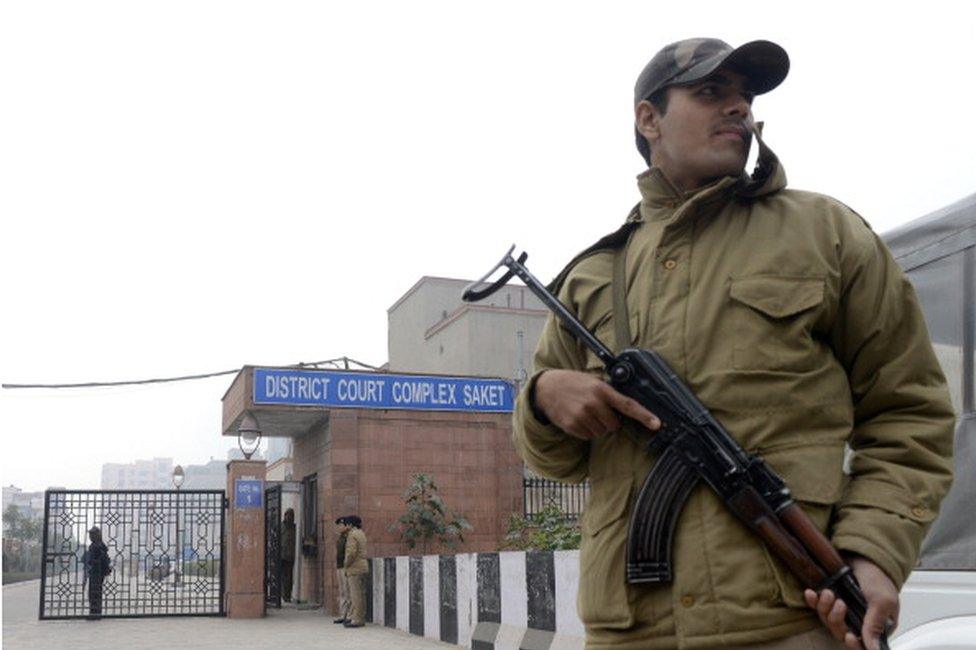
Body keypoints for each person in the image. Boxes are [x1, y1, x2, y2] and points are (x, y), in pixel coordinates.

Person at [513, 38, 955, 650]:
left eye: (745, 96)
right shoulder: (594, 275)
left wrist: (874, 551)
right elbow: (552, 460)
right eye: (710, 92)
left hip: (792, 620)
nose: (739, 108)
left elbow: (909, 412)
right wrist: (544, 397)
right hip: (629, 633)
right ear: (649, 118)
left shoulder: (824, 233)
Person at [341, 515, 368, 629]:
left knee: (355, 595)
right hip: (362, 567)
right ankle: (359, 617)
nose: (345, 526)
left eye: (347, 524)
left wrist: (346, 564)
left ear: (351, 525)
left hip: (355, 568)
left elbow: (351, 553)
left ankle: (357, 619)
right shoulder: (361, 533)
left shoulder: (352, 535)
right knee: (361, 595)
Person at [84, 526, 111, 619]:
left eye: (92, 535)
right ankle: (95, 612)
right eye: (90, 535)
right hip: (95, 571)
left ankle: (95, 614)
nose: (90, 537)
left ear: (96, 535)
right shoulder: (97, 544)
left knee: (94, 592)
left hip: (97, 572)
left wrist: (93, 562)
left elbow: (100, 558)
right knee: (94, 592)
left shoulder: (98, 545)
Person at [333, 516, 351, 624]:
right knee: (342, 591)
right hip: (339, 566)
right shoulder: (340, 537)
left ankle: (349, 615)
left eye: (341, 525)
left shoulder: (349, 537)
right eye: (338, 525)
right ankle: (342, 614)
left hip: (346, 567)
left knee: (348, 591)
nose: (339, 527)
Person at [281, 508, 296, 602]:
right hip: (281, 555)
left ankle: (287, 596)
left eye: (291, 515)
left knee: (289, 578)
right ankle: (281, 595)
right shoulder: (281, 526)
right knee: (281, 577)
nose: (289, 517)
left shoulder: (295, 528)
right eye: (287, 515)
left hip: (290, 556)